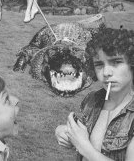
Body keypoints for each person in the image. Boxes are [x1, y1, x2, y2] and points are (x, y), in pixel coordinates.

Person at [55, 27, 134, 160]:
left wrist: (84, 147)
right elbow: (79, 132)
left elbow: (82, 143)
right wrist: (62, 131)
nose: (106, 72)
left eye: (116, 62)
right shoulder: (93, 99)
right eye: (99, 64)